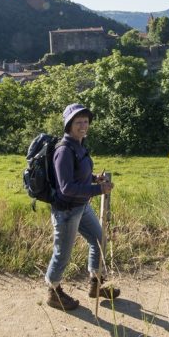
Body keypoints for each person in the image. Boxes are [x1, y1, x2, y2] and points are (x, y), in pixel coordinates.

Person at [44, 103, 119, 310]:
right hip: (67, 210)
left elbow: (79, 175)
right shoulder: (64, 150)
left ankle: (96, 284)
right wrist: (99, 190)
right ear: (68, 125)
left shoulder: (79, 145)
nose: (83, 125)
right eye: (78, 122)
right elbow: (66, 188)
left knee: (98, 239)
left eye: (86, 121)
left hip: (81, 206)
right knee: (62, 253)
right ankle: (53, 293)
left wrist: (95, 178)